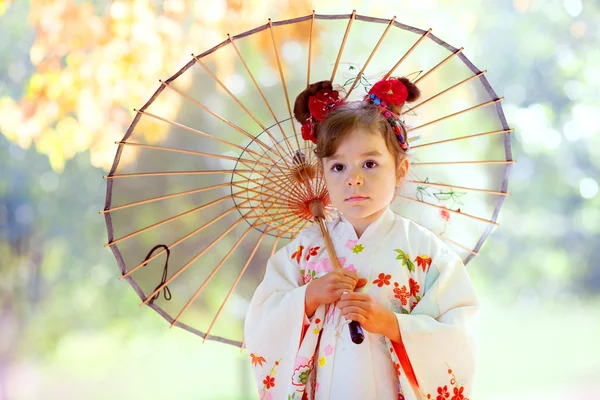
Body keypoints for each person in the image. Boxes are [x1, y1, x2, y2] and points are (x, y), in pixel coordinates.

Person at [244, 77, 479, 400]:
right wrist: (309, 297)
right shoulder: (304, 250)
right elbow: (263, 323)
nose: (353, 179)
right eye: (338, 167)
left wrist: (392, 325)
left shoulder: (425, 252)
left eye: (370, 164)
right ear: (323, 174)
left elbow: (458, 336)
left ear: (400, 169)